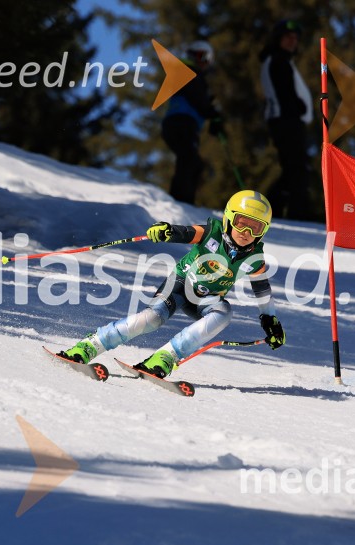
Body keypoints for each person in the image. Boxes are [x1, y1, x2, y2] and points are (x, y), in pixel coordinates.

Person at [58, 190, 286, 378]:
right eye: (241, 223)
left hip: (206, 300)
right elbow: (188, 233)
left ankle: (166, 357)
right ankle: (91, 345)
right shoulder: (212, 233)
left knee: (224, 312)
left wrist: (269, 319)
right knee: (152, 319)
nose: (246, 232)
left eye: (255, 228)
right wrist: (167, 231)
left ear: (262, 231)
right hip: (180, 284)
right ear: (228, 219)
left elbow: (262, 290)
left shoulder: (254, 257)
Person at [259, 19, 313, 220]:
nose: (293, 41)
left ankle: (271, 211)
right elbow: (283, 91)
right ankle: (296, 215)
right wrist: (298, 105)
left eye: (295, 38)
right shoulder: (277, 60)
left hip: (287, 119)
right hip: (285, 120)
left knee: (293, 169)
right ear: (278, 39)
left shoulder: (282, 60)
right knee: (298, 168)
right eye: (288, 37)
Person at [161, 40, 224, 204]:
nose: (204, 62)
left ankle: (182, 200)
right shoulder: (189, 72)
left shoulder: (188, 73)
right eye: (202, 57)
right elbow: (198, 99)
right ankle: (180, 201)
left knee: (192, 162)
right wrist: (213, 113)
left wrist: (211, 112)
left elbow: (198, 99)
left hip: (181, 123)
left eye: (206, 59)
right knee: (189, 161)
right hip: (182, 123)